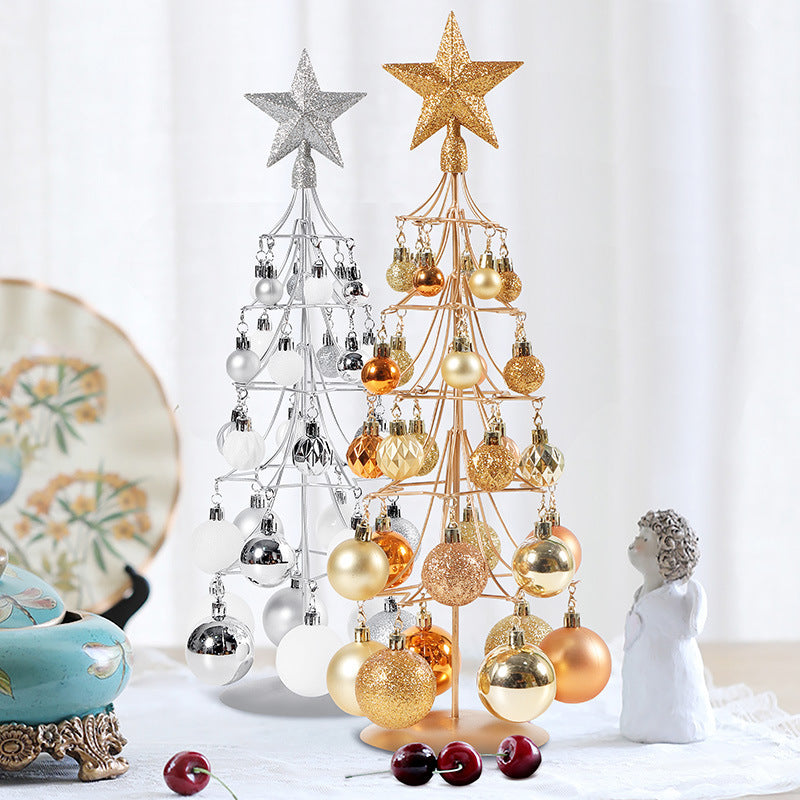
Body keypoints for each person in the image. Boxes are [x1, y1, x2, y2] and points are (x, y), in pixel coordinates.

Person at [620, 509, 715, 743]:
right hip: (641, 688)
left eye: (645, 539)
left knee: (666, 690)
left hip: (674, 695)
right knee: (642, 686)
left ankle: (675, 724)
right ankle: (639, 721)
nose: (635, 542)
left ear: (666, 555)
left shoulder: (672, 604)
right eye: (638, 535)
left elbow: (688, 626)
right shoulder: (643, 596)